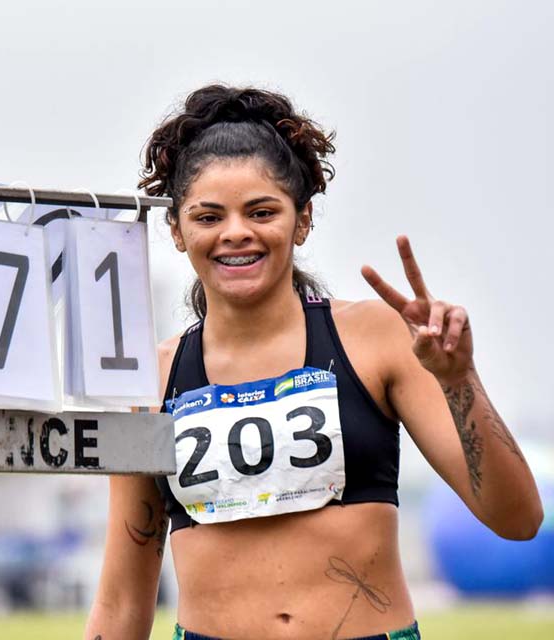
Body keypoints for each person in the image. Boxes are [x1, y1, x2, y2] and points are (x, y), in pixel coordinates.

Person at [84, 85, 543, 640]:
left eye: (261, 211)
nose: (236, 233)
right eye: (209, 217)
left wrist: (458, 380)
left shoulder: (379, 339)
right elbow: (121, 603)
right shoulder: (149, 382)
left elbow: (518, 519)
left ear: (301, 221)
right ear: (178, 231)